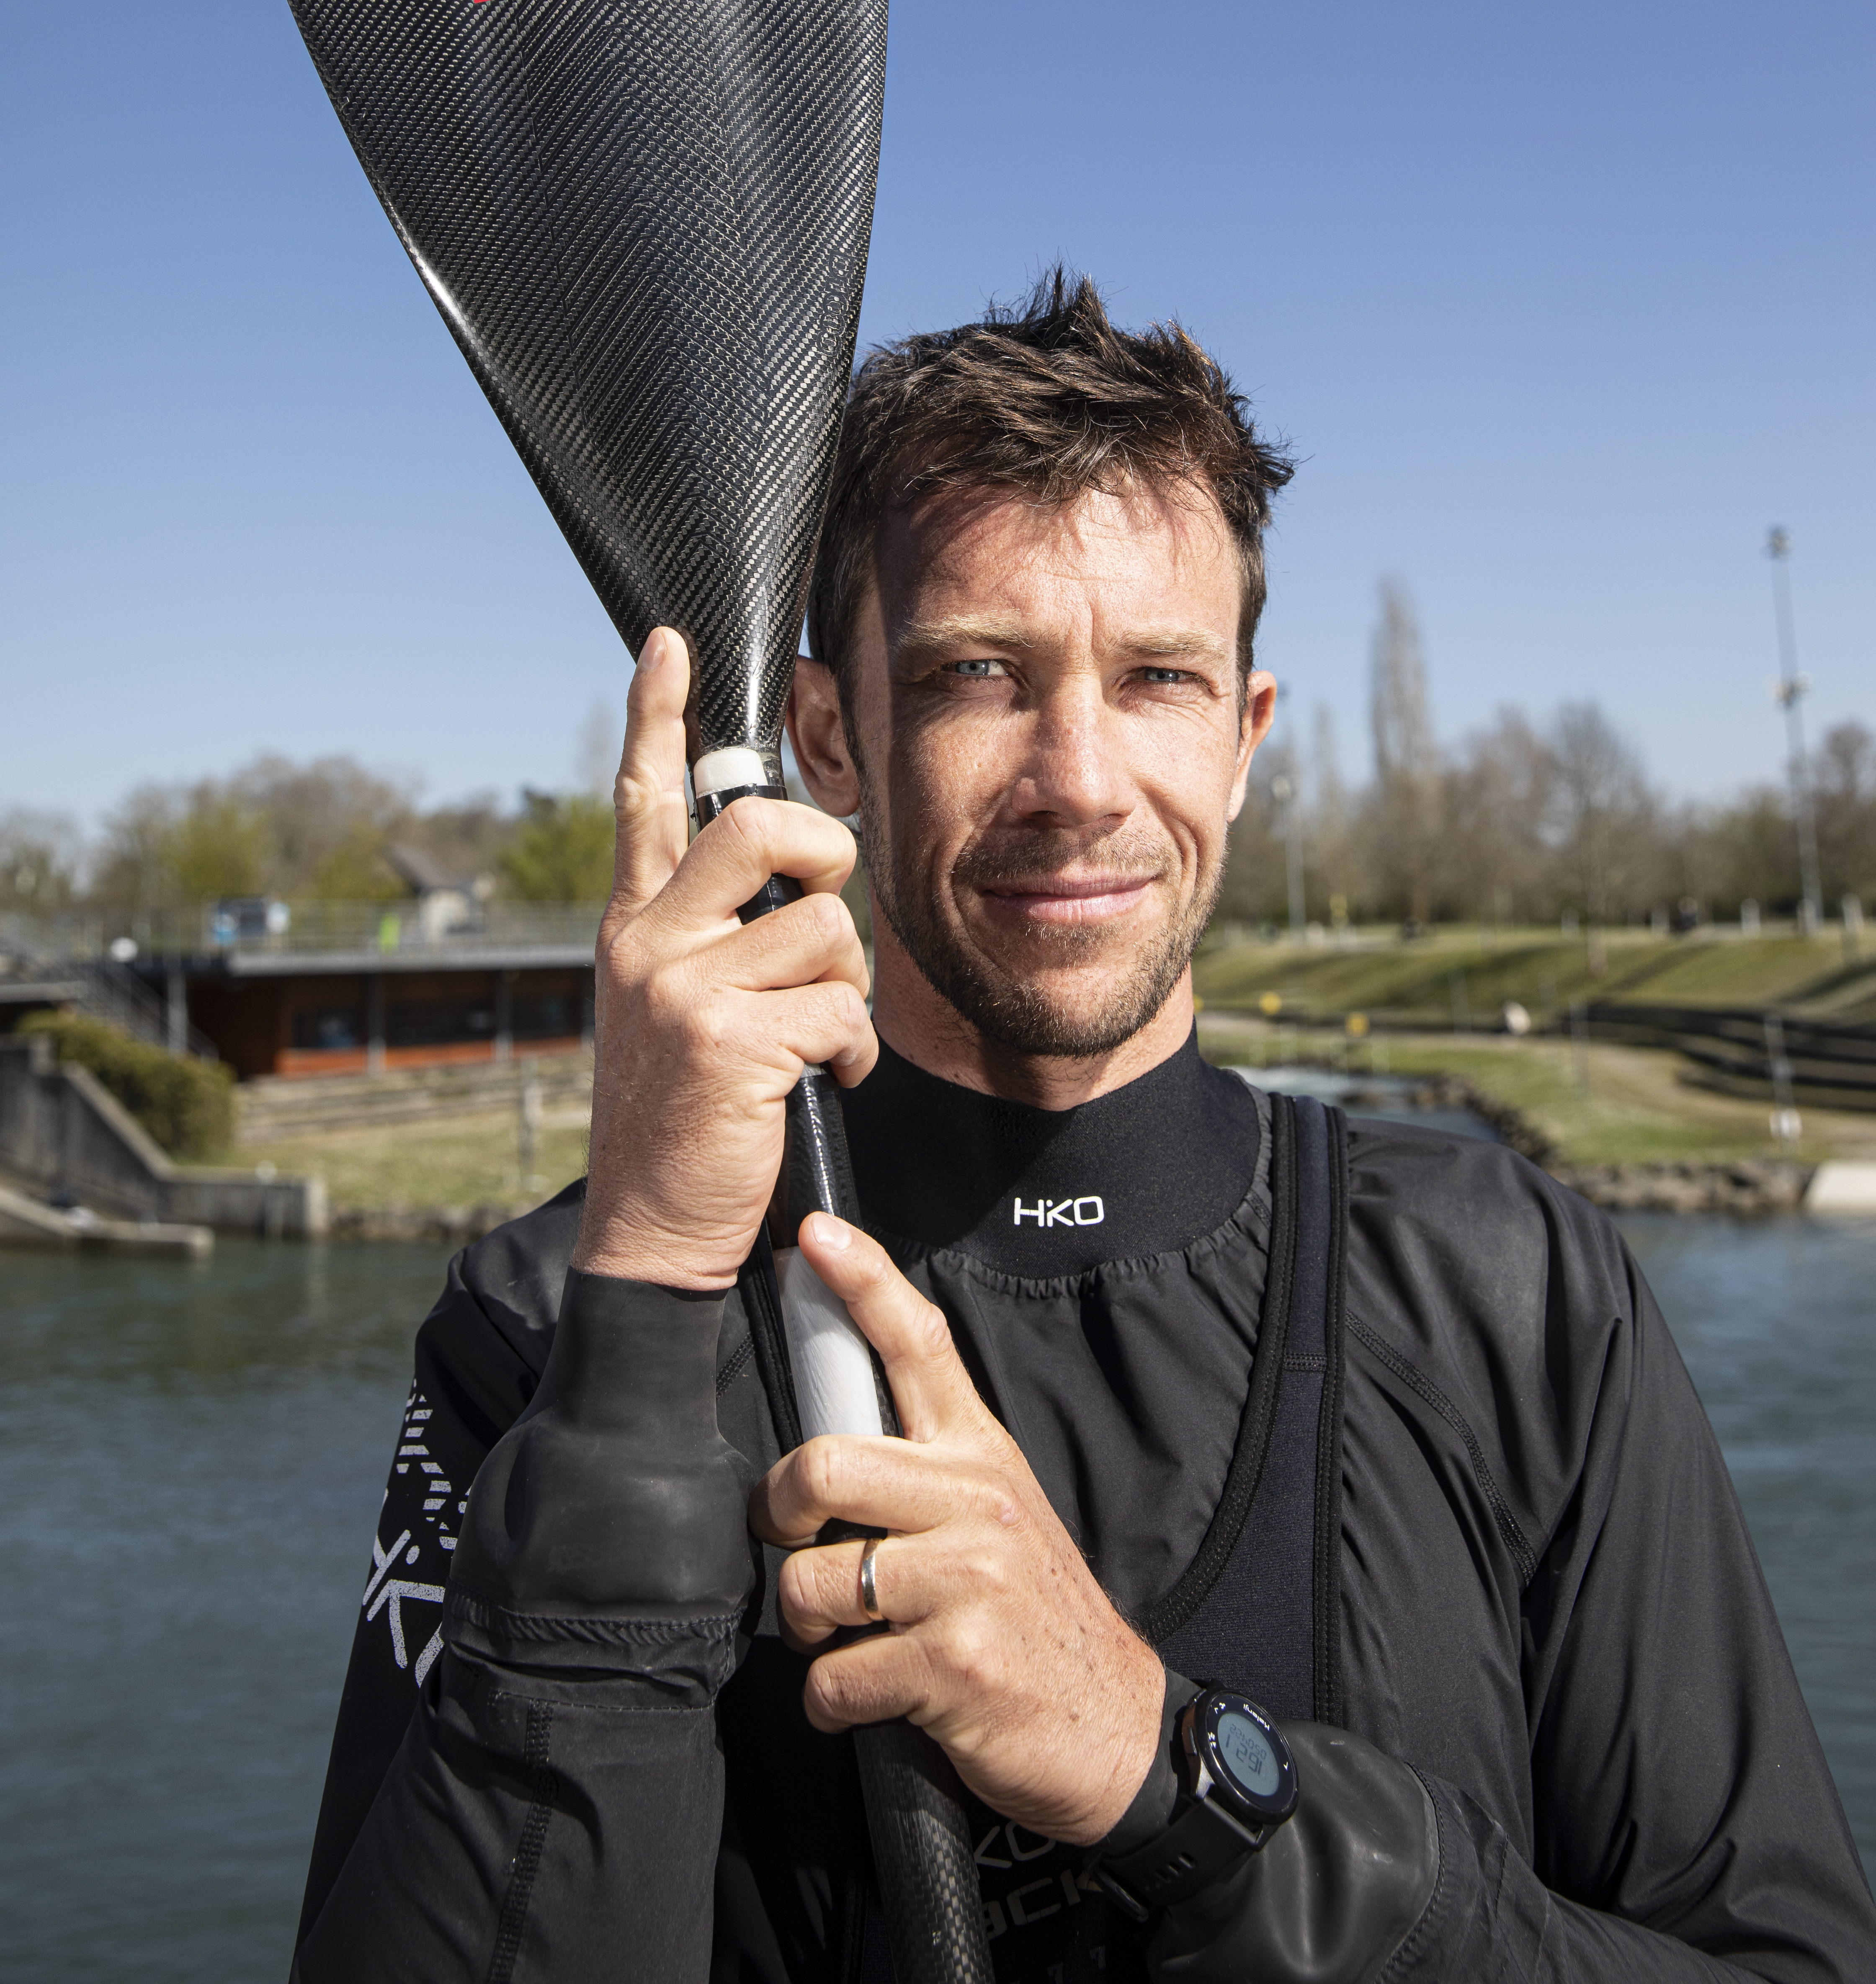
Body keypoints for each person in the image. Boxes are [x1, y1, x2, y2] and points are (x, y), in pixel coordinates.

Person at [293, 276, 1875, 1983]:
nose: (1081, 778)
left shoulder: (1509, 1286)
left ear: (1246, 737)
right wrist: (645, 1318)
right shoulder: (548, 1324)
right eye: (980, 673)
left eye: (1157, 679)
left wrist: (1177, 1778)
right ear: (831, 734)